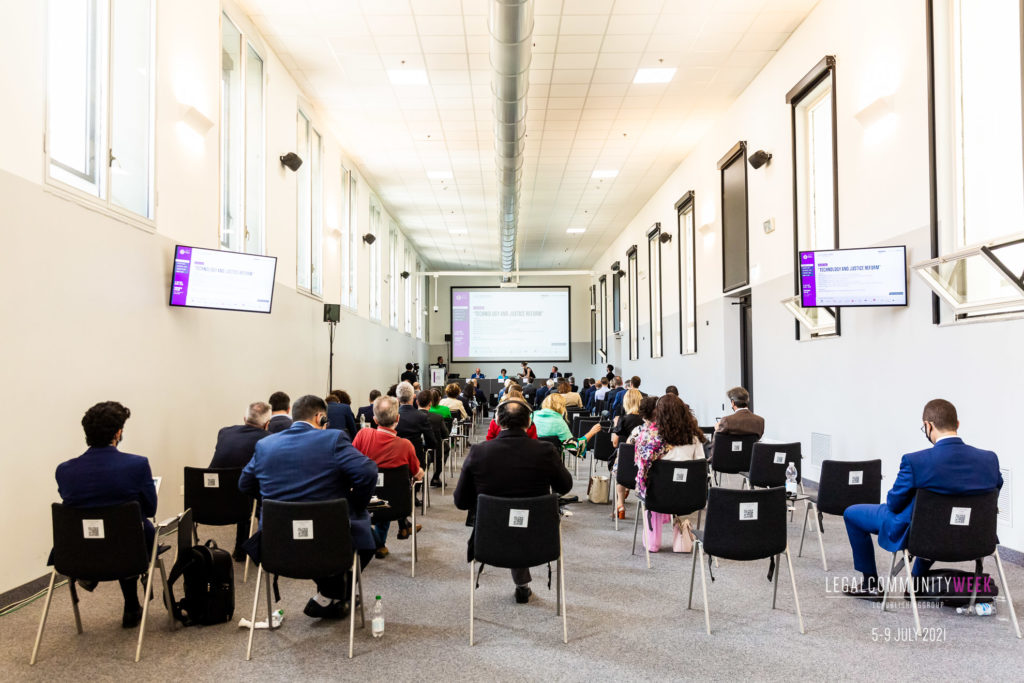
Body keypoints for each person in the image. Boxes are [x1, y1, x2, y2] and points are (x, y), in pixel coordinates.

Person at [841, 399, 1003, 598]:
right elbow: (993, 496)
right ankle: (916, 581)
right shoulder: (989, 459)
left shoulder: (915, 461)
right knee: (935, 520)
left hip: (924, 534)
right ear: (957, 424)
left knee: (852, 513)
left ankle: (870, 584)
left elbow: (894, 503)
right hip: (973, 536)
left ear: (928, 425)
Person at [239, 395, 377, 619]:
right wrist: (355, 504)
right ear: (320, 417)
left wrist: (273, 504)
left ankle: (329, 594)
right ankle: (335, 592)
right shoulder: (333, 439)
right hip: (329, 542)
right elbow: (368, 472)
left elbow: (244, 484)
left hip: (276, 545)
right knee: (368, 540)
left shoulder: (265, 445)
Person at [454, 399, 573, 604]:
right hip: (540, 537)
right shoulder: (546, 451)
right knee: (520, 517)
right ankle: (522, 584)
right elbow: (565, 486)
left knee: (509, 516)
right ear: (529, 422)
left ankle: (522, 583)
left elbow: (461, 502)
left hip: (490, 536)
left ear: (497, 421)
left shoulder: (478, 452)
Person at [55, 401, 157, 629]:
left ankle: (98, 579)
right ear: (118, 433)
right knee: (128, 530)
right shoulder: (137, 465)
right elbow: (150, 509)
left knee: (112, 529)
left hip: (78, 554)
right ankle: (131, 605)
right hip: (129, 552)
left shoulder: (64, 470)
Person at [352, 395, 423, 559]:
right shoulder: (406, 445)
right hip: (395, 505)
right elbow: (417, 474)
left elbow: (352, 463)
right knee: (387, 495)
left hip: (363, 500)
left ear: (375, 420)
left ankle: (379, 543)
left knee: (378, 493)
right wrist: (421, 472)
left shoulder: (363, 435)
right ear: (398, 418)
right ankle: (381, 542)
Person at [635, 395, 707, 552]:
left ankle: (653, 542)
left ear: (658, 413)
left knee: (652, 485)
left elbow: (642, 471)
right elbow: (701, 469)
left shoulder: (649, 438)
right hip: (689, 498)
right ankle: (682, 534)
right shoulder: (694, 438)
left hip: (658, 498)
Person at [210, 401, 272, 560]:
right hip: (242, 503)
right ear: (267, 424)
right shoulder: (268, 439)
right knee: (260, 490)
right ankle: (258, 548)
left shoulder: (224, 432)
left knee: (243, 488)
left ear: (245, 419)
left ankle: (241, 549)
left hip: (208, 504)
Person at [613, 395, 657, 520]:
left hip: (636, 475)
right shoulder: (666, 433)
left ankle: (620, 504)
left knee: (620, 464)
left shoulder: (638, 431)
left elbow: (626, 452)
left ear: (644, 416)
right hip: (659, 478)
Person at [394, 381, 438, 472]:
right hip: (415, 462)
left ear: (397, 398)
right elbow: (432, 442)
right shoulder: (421, 416)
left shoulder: (392, 416)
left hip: (395, 460)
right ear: (413, 396)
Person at [534, 393, 601, 449]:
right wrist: (591, 432)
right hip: (552, 459)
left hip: (531, 457)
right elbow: (574, 446)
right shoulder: (560, 423)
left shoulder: (532, 416)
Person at [418, 390, 447, 487]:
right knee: (444, 448)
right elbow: (445, 435)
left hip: (415, 450)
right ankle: (436, 476)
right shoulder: (437, 417)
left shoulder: (410, 417)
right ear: (430, 403)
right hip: (435, 450)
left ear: (417, 402)